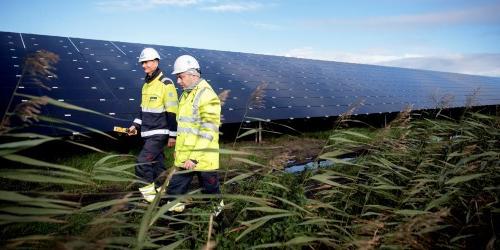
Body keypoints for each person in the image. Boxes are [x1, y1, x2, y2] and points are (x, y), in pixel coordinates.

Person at [166, 55, 223, 215]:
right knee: (174, 192)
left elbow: (208, 130)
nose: (178, 81)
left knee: (211, 194)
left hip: (202, 159)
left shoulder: (207, 95)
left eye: (180, 77)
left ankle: (218, 224)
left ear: (193, 74)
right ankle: (173, 222)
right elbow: (184, 127)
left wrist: (195, 157)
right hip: (185, 157)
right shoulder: (185, 94)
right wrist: (179, 151)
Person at [128, 48, 178, 203]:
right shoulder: (146, 85)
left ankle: (149, 197)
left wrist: (172, 134)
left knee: (142, 163)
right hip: (147, 132)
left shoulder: (166, 83)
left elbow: (172, 111)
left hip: (159, 133)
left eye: (147, 62)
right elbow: (143, 110)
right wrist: (135, 126)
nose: (144, 65)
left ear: (156, 62)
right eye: (142, 62)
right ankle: (164, 192)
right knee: (157, 165)